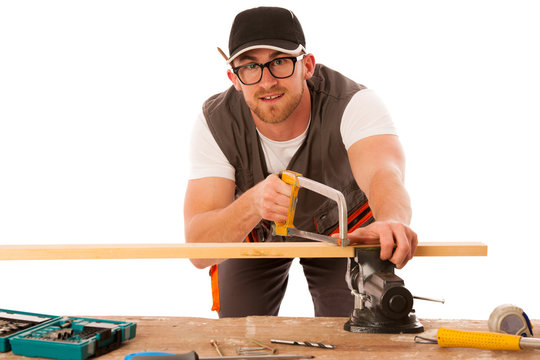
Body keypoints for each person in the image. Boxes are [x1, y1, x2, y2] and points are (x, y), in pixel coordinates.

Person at [184, 6, 418, 318]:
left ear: (306, 66)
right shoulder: (215, 122)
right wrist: (253, 205)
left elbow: (383, 173)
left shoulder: (355, 104)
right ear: (234, 78)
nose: (266, 82)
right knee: (239, 333)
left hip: (344, 229)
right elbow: (198, 249)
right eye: (250, 68)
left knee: (355, 329)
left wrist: (392, 220)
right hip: (256, 227)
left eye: (279, 62)